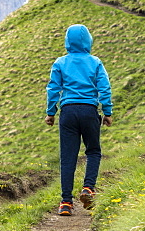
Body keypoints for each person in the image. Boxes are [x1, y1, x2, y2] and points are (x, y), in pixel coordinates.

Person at [45, 24, 113, 216]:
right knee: (93, 151)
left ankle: (66, 203)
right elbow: (104, 89)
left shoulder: (60, 62)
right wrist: (107, 112)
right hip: (89, 111)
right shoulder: (95, 62)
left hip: (67, 112)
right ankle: (88, 188)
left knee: (68, 157)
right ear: (88, 40)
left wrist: (51, 113)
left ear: (68, 41)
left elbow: (53, 89)